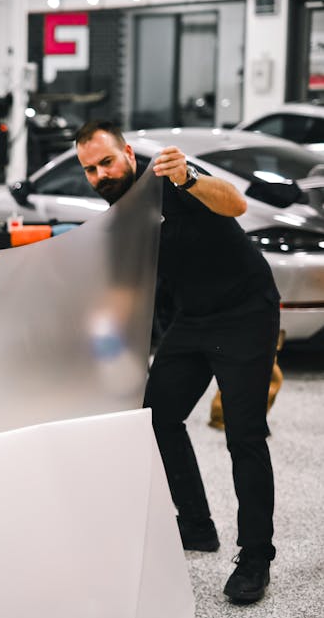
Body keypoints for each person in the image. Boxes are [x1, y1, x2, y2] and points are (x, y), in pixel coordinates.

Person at [74, 120, 280, 604]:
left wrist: (189, 178)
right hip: (193, 319)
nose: (101, 175)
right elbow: (126, 288)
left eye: (107, 162)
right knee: (158, 416)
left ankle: (255, 557)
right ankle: (196, 525)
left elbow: (235, 204)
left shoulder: (169, 174)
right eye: (90, 169)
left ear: (128, 153)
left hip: (245, 312)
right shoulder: (120, 212)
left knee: (244, 435)